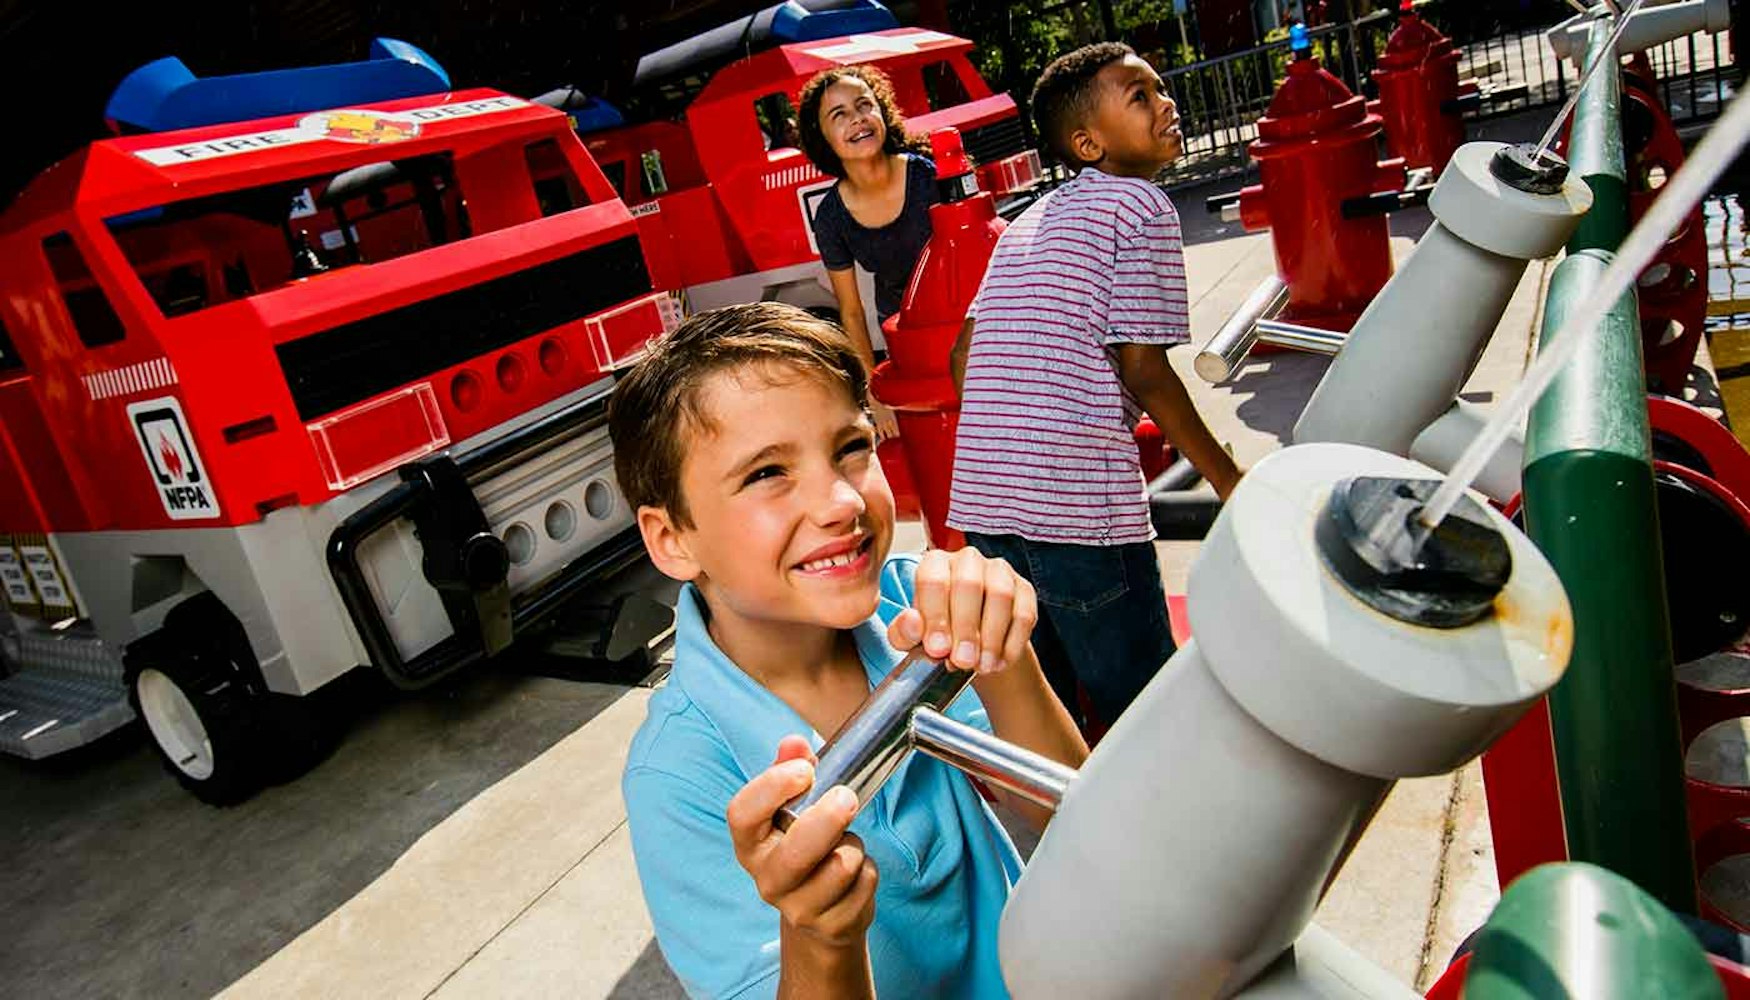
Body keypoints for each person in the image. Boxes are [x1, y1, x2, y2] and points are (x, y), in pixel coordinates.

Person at [612, 303, 1087, 998]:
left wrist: (1001, 657)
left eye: (850, 448)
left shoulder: (905, 605)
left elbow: (1080, 821)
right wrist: (820, 932)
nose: (841, 502)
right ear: (673, 539)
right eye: (766, 474)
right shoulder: (678, 777)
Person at [948, 43, 1244, 732]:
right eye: (1139, 96)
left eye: (1160, 88)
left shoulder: (1021, 224)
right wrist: (1228, 479)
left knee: (1049, 714)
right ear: (1088, 143)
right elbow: (1143, 367)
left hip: (987, 502)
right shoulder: (1140, 208)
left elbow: (963, 361)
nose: (1166, 101)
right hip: (1080, 510)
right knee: (1144, 713)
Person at [798, 66, 935, 443]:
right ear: (822, 137)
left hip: (962, 319)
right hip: (905, 336)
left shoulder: (929, 176)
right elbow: (852, 312)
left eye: (864, 105)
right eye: (838, 114)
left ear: (883, 112)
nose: (858, 119)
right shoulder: (830, 217)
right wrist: (875, 393)